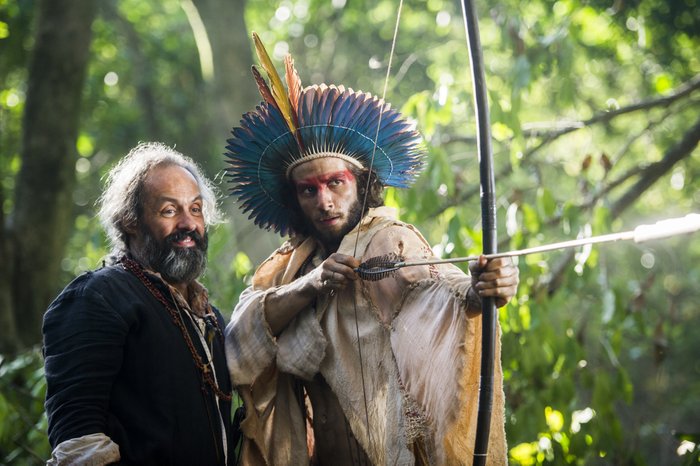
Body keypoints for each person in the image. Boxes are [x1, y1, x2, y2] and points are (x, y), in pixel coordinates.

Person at [224, 37, 519, 465]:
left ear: (361, 184)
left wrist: (483, 289)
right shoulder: (287, 269)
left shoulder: (387, 239)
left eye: (335, 183)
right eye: (309, 190)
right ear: (294, 200)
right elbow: (238, 348)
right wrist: (311, 284)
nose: (323, 201)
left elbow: (437, 295)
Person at [43, 142, 236, 465]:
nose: (189, 225)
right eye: (170, 211)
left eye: (196, 209)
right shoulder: (97, 298)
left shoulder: (207, 316)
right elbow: (79, 441)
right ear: (130, 220)